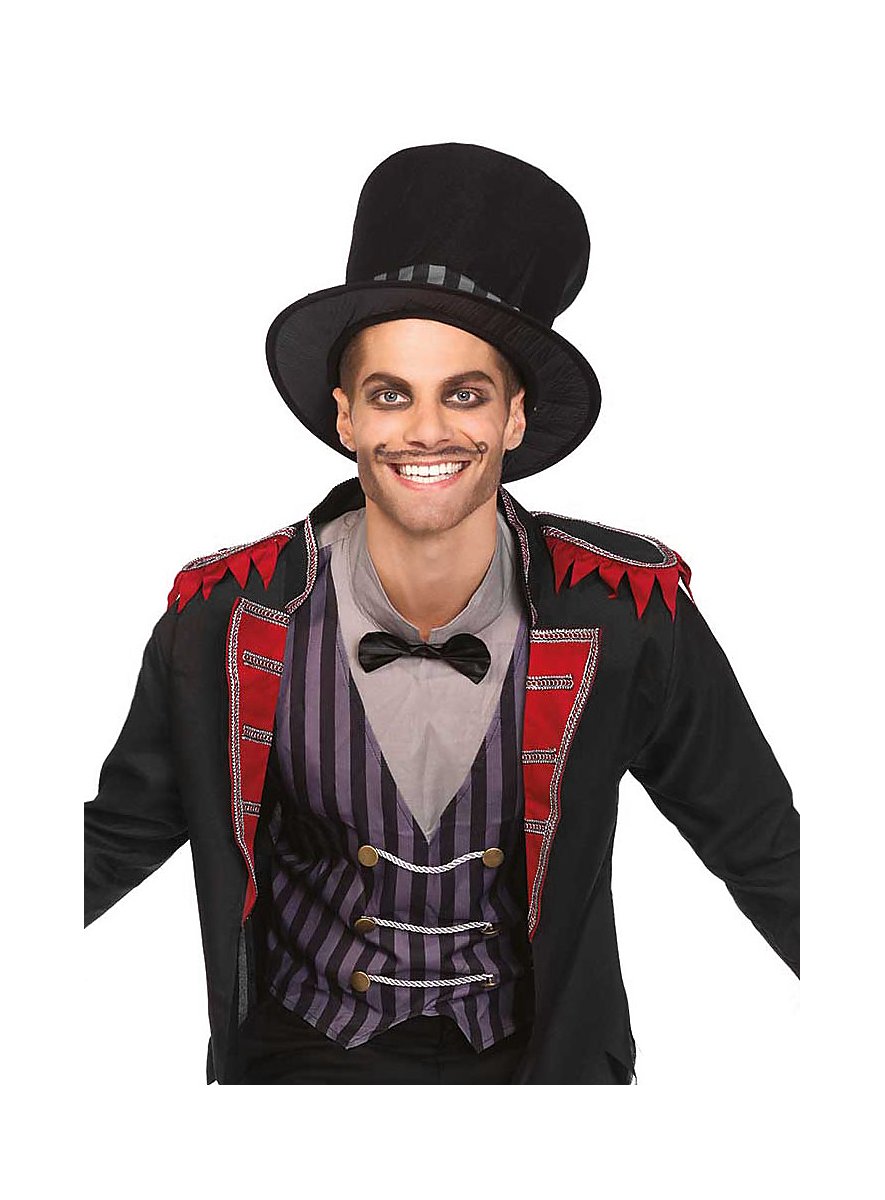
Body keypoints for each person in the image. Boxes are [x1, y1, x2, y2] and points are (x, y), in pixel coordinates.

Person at [84, 141, 799, 1085]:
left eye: (464, 394)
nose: (425, 431)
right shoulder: (225, 619)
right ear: (346, 417)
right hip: (298, 1064)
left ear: (512, 417)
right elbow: (114, 836)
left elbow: (761, 843)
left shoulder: (627, 612)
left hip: (540, 1069)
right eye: (391, 395)